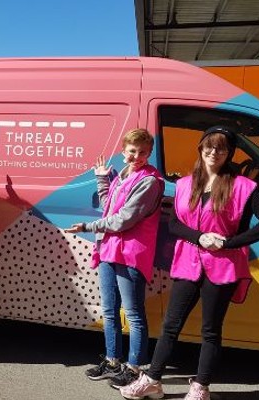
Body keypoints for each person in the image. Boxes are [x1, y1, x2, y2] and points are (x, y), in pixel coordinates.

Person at [121, 126, 259, 400]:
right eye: (209, 145)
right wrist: (200, 237)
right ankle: (152, 380)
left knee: (210, 330)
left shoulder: (243, 187)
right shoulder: (186, 184)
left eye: (221, 148)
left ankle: (200, 388)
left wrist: (229, 242)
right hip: (188, 262)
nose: (214, 152)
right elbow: (174, 224)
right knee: (171, 324)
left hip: (223, 268)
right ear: (201, 148)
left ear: (229, 152)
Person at [65, 128, 164, 387]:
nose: (137, 156)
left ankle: (134, 368)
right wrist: (102, 178)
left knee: (132, 313)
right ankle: (112, 361)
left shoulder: (150, 181)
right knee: (110, 311)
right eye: (132, 151)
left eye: (143, 152)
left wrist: (88, 227)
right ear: (124, 151)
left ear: (150, 153)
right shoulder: (123, 175)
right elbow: (109, 205)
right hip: (110, 248)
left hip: (131, 253)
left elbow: (124, 220)